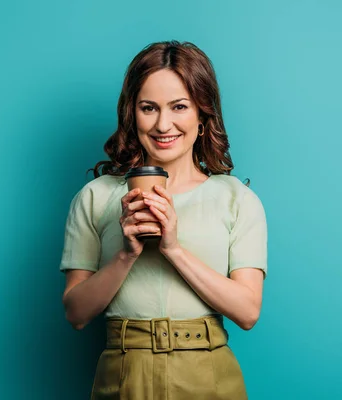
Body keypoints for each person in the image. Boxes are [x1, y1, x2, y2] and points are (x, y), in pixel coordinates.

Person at [59, 40, 267, 400]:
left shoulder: (237, 200)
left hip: (208, 375)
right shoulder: (95, 197)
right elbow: (76, 313)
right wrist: (126, 254)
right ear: (131, 114)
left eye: (179, 106)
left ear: (202, 116)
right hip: (124, 375)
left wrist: (173, 248)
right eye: (148, 108)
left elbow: (247, 312)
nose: (163, 123)